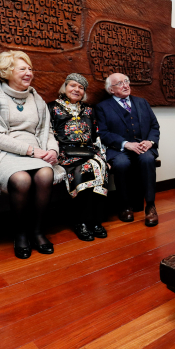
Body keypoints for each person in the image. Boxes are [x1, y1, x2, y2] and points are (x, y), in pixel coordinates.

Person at [0, 50, 65, 259]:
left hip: (37, 151)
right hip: (3, 153)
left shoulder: (36, 98)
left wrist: (53, 150)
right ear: (6, 72)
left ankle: (37, 231)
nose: (29, 73)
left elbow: (47, 130)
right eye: (22, 69)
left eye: (30, 69)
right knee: (21, 179)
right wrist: (31, 150)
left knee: (45, 174)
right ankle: (21, 234)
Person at [48, 73, 109, 241]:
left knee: (101, 167)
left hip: (89, 152)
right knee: (85, 169)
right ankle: (81, 222)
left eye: (81, 88)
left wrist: (102, 157)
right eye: (73, 85)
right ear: (65, 87)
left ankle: (96, 221)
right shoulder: (52, 107)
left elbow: (96, 136)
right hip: (65, 154)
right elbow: (48, 134)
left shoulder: (89, 110)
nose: (76, 89)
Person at [95, 72, 160, 226]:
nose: (125, 85)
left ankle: (150, 206)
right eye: (120, 83)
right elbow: (103, 133)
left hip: (143, 147)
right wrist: (125, 144)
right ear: (111, 90)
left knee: (148, 159)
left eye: (126, 81)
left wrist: (150, 142)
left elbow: (154, 126)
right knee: (121, 164)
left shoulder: (142, 102)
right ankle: (125, 206)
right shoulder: (102, 107)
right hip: (119, 150)